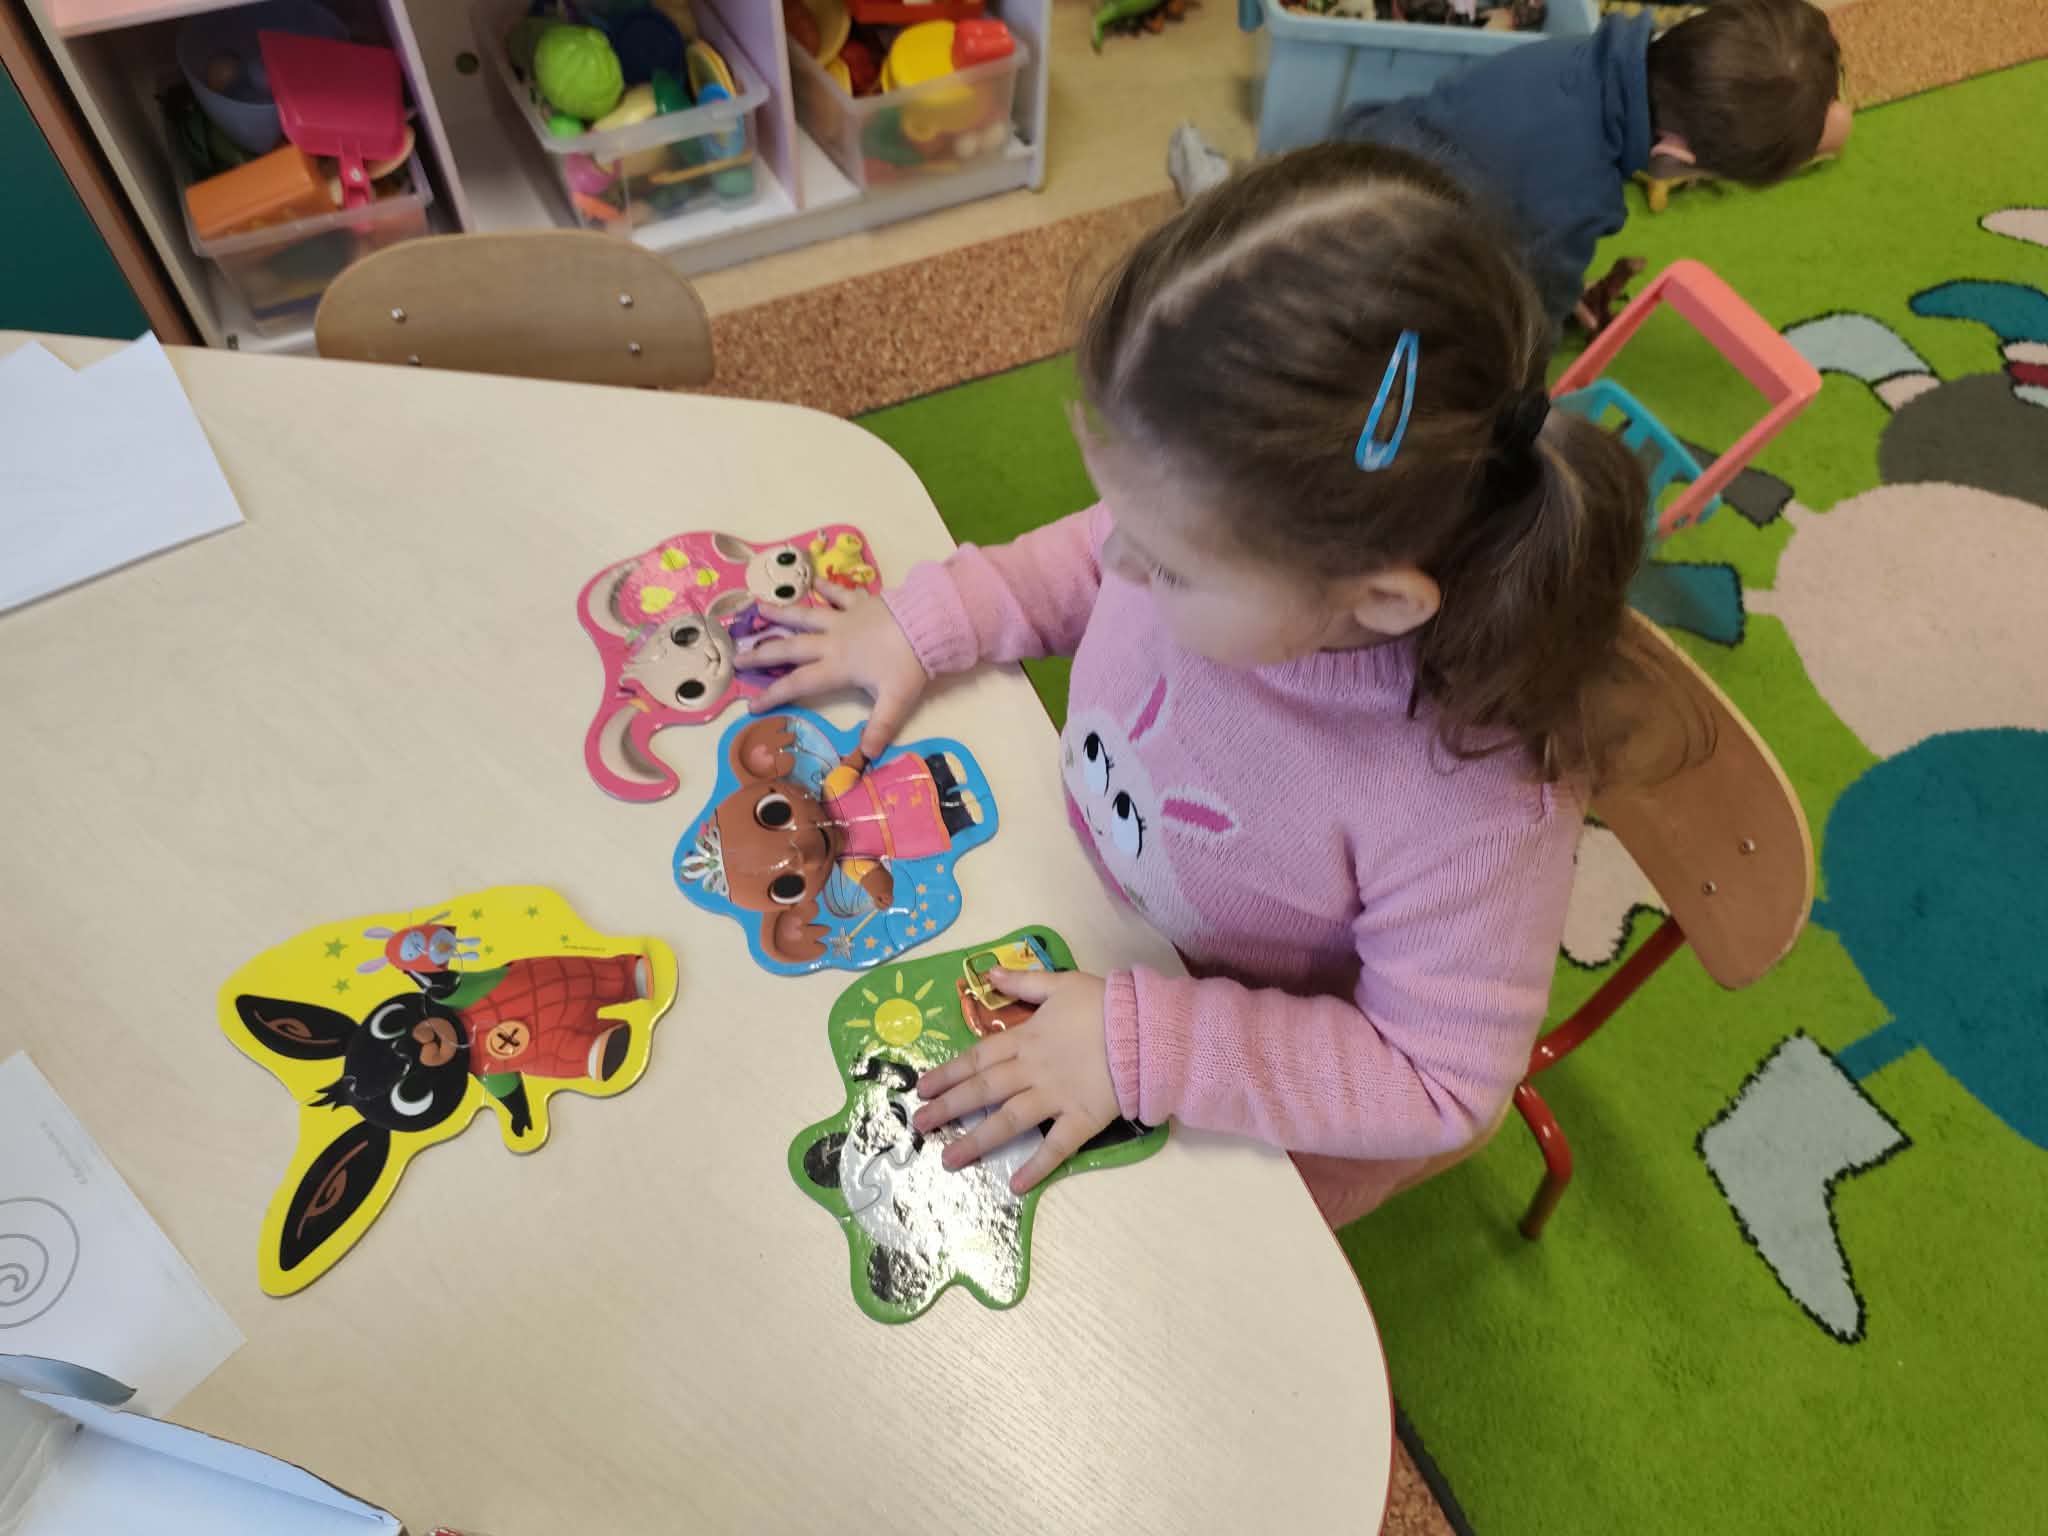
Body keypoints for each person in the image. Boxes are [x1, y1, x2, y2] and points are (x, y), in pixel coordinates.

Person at [742, 142, 1654, 1227]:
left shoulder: (1477, 805)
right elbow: (1091, 554)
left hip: (1238, 1085)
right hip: (1083, 920)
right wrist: (927, 622)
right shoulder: (1227, 532)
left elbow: (1438, 1084)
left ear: (1376, 600)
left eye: (1170, 564)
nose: (1120, 559)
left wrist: (1145, 1047)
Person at [1171, 0, 1851, 333]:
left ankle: (1235, 211)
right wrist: (1543, 346)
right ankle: (1232, 252)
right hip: (1370, 267)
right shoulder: (1580, 199)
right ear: (1674, 157)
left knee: (1278, 218)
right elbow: (1534, 311)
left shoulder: (1579, 53)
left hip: (1350, 155)